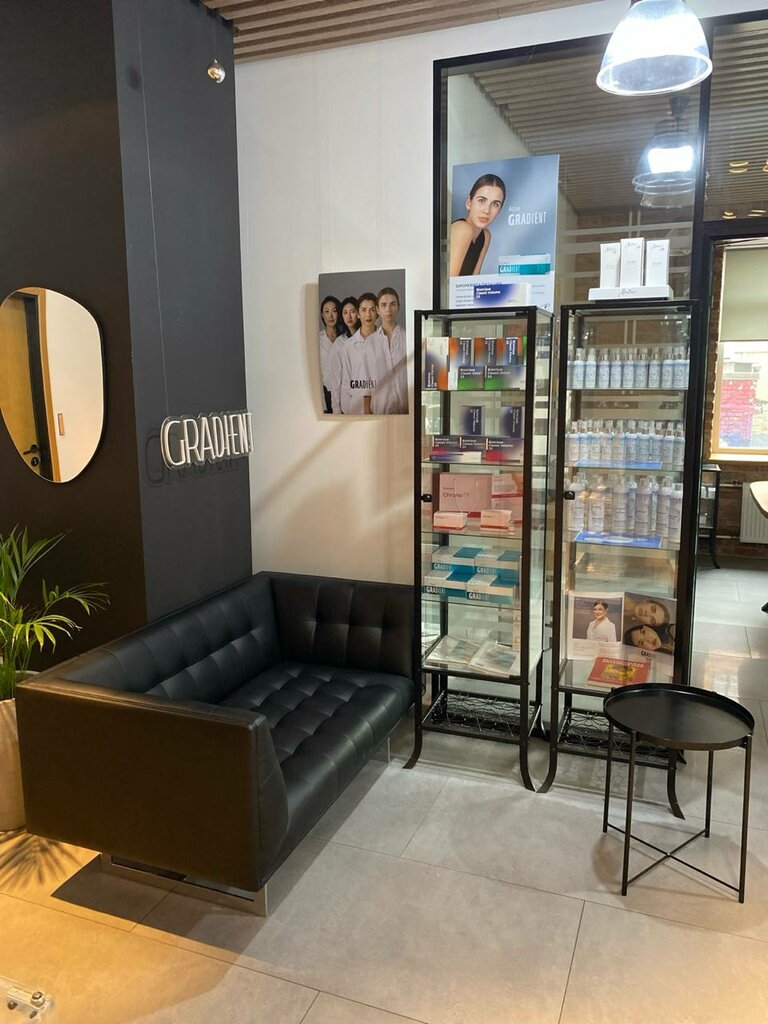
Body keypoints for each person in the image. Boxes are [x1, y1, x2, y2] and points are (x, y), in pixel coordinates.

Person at [449, 173, 506, 278]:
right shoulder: (462, 229)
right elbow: (449, 283)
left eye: (495, 204)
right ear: (469, 202)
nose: (487, 210)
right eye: (482, 201)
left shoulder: (485, 236)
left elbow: (474, 280)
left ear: (499, 211)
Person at [329, 292, 378, 414]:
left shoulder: (383, 339)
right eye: (345, 313)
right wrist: (339, 410)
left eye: (352, 311)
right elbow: (342, 382)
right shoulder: (344, 345)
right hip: (355, 407)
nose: (349, 316)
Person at [365, 286, 408, 415]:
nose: (388, 309)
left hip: (406, 410)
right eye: (383, 305)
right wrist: (367, 413)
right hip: (379, 410)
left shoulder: (408, 338)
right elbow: (366, 381)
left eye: (392, 304)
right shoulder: (370, 342)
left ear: (398, 307)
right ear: (378, 310)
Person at [319, 295, 343, 414]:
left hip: (344, 393)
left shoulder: (345, 339)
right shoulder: (318, 340)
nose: (330, 316)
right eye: (326, 312)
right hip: (326, 393)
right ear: (322, 315)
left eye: (334, 311)